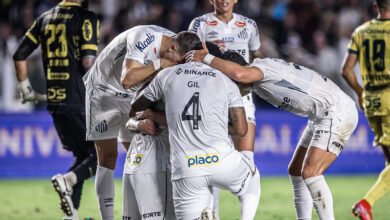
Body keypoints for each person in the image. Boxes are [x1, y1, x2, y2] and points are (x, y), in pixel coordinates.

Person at [187, 44, 359, 220]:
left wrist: (205, 58)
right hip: (320, 114)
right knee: (296, 171)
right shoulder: (261, 72)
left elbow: (239, 74)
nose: (232, 90)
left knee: (311, 172)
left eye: (231, 85)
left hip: (336, 110)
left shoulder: (260, 69)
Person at [84, 26, 199, 219]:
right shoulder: (144, 37)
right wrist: (160, 63)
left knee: (139, 157)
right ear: (171, 48)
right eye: (175, 63)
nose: (175, 68)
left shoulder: (179, 44)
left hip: (132, 96)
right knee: (108, 157)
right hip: (103, 90)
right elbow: (127, 79)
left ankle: (142, 212)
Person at [130, 50, 259, 220]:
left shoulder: (168, 75)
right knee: (252, 175)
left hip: (186, 168)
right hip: (221, 162)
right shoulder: (223, 80)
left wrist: (146, 116)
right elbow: (241, 130)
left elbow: (135, 107)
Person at [12, 0, 99, 219]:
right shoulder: (86, 17)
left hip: (54, 100)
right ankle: (68, 180)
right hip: (77, 98)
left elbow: (19, 55)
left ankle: (72, 215)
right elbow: (88, 62)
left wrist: (25, 89)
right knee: (100, 153)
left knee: (82, 154)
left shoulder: (44, 19)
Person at [188, 1, 261, 218]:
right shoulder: (199, 23)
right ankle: (213, 215)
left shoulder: (249, 25)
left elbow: (257, 57)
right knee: (212, 159)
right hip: (212, 95)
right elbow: (189, 55)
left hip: (241, 94)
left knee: (248, 161)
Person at [341, 0, 390, 219]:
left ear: (375, 4)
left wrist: (361, 93)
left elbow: (346, 71)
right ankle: (365, 203)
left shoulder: (361, 31)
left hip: (371, 101)